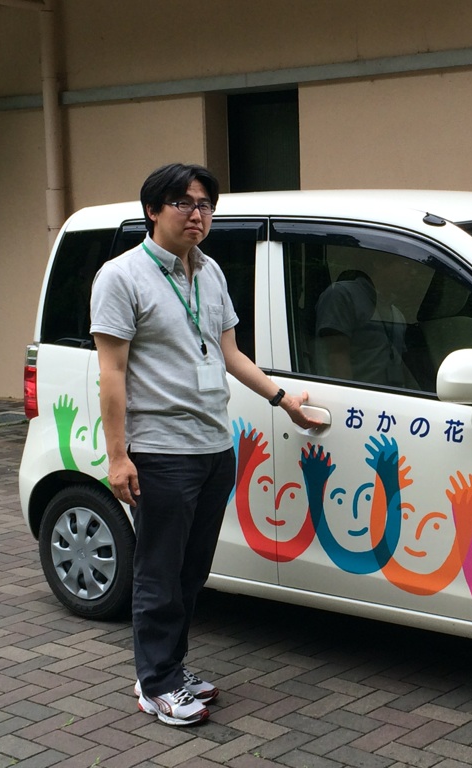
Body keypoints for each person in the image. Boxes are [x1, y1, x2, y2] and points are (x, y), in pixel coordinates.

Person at [90, 163, 319, 727]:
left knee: (192, 572)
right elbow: (111, 374)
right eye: (184, 203)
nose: (197, 214)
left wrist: (283, 400)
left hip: (215, 446)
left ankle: (170, 665)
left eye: (205, 205)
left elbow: (229, 354)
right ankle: (156, 684)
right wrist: (118, 456)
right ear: (152, 210)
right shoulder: (121, 277)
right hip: (160, 451)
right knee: (159, 572)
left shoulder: (211, 271)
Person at [315, 265, 408, 386]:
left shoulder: (397, 314)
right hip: (355, 395)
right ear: (380, 263)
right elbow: (336, 356)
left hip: (390, 396)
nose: (412, 272)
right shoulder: (342, 294)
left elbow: (400, 364)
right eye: (405, 265)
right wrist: (346, 395)